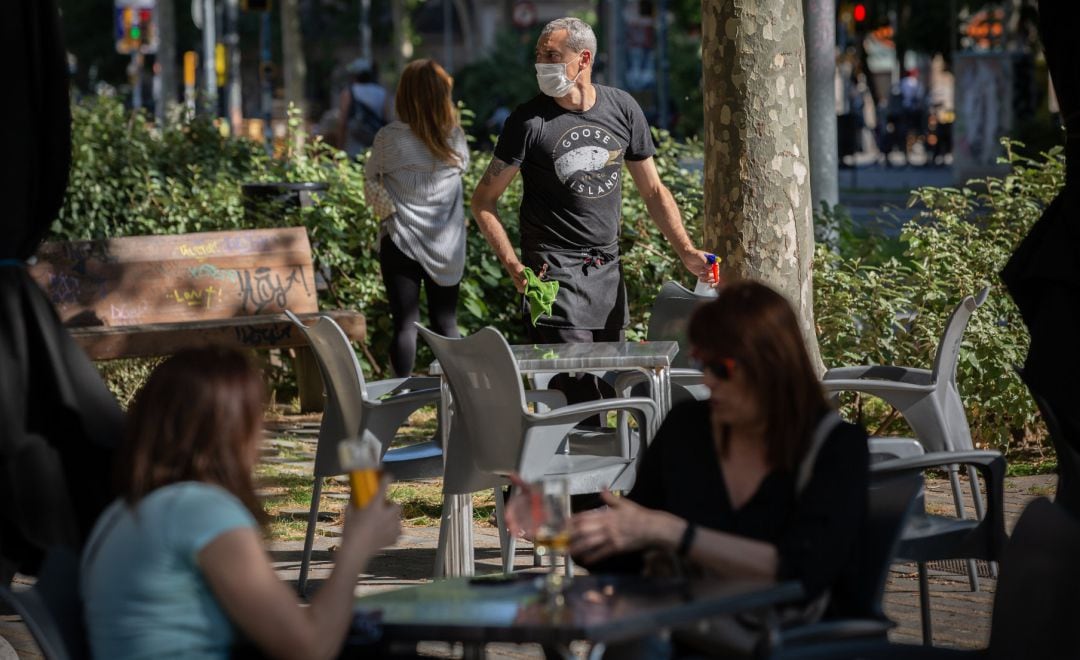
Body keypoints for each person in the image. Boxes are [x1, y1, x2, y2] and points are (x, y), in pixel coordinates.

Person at [569, 280, 869, 656]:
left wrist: (675, 533)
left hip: (795, 642)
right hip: (694, 633)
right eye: (700, 363)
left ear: (770, 366)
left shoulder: (836, 447)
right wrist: (574, 529)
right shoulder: (688, 427)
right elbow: (633, 552)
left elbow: (804, 570)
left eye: (721, 368)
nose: (706, 379)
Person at [80, 347, 401, 660]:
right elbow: (310, 647)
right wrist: (356, 547)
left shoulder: (124, 512)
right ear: (232, 429)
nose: (262, 435)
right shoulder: (199, 510)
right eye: (256, 418)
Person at [470, 17, 715, 406]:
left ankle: (604, 463)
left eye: (552, 55)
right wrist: (513, 264)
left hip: (607, 274)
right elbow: (483, 201)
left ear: (583, 59)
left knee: (607, 393)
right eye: (539, 55)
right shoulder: (527, 121)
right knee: (579, 395)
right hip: (553, 275)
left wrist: (685, 251)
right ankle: (572, 463)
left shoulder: (623, 109)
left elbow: (653, 191)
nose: (541, 64)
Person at [367, 59, 470, 377]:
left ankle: (401, 400)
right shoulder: (454, 138)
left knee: (404, 325)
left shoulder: (389, 138)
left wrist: (389, 213)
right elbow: (461, 172)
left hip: (400, 239)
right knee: (446, 322)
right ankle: (460, 398)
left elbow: (371, 180)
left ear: (404, 94)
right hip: (447, 244)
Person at [336, 57, 392, 158]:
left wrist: (339, 148)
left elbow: (342, 122)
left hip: (353, 148)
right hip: (376, 147)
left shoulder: (349, 92)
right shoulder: (382, 93)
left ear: (354, 75)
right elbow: (387, 121)